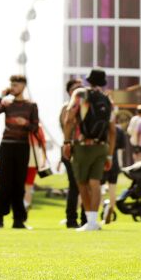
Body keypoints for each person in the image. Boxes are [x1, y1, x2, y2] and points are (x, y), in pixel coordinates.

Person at [62, 69, 115, 232]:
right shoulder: (107, 100)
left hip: (83, 145)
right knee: (96, 182)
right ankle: (93, 222)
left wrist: (66, 142)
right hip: (101, 146)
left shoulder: (80, 94)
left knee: (82, 182)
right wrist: (110, 155)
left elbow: (70, 118)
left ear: (89, 80)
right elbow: (112, 130)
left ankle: (90, 221)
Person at [0, 75, 39, 229]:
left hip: (22, 146)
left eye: (16, 85)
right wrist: (1, 96)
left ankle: (19, 221)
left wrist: (26, 123)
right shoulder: (6, 103)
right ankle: (0, 219)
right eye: (11, 84)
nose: (13, 87)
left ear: (23, 86)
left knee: (19, 184)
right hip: (6, 146)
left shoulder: (31, 105)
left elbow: (35, 128)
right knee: (4, 182)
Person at [59, 79, 86, 229]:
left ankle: (86, 219)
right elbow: (66, 126)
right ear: (70, 92)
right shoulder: (67, 107)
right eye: (76, 88)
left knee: (85, 185)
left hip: (84, 148)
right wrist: (67, 145)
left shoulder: (85, 106)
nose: (80, 91)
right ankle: (71, 219)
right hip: (70, 149)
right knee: (75, 186)